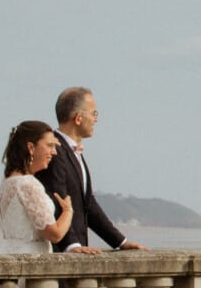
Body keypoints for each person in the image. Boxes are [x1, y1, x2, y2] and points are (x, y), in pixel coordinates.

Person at [42, 86, 146, 255]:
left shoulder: (74, 152)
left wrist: (120, 242)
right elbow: (57, 202)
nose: (96, 119)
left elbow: (88, 205)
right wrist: (72, 245)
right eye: (94, 113)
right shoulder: (55, 151)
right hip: (59, 254)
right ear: (78, 118)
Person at [0, 119, 75, 255]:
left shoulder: (8, 181)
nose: (54, 152)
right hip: (28, 262)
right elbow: (54, 234)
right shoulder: (28, 184)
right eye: (50, 146)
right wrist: (68, 211)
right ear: (31, 148)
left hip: (6, 254)